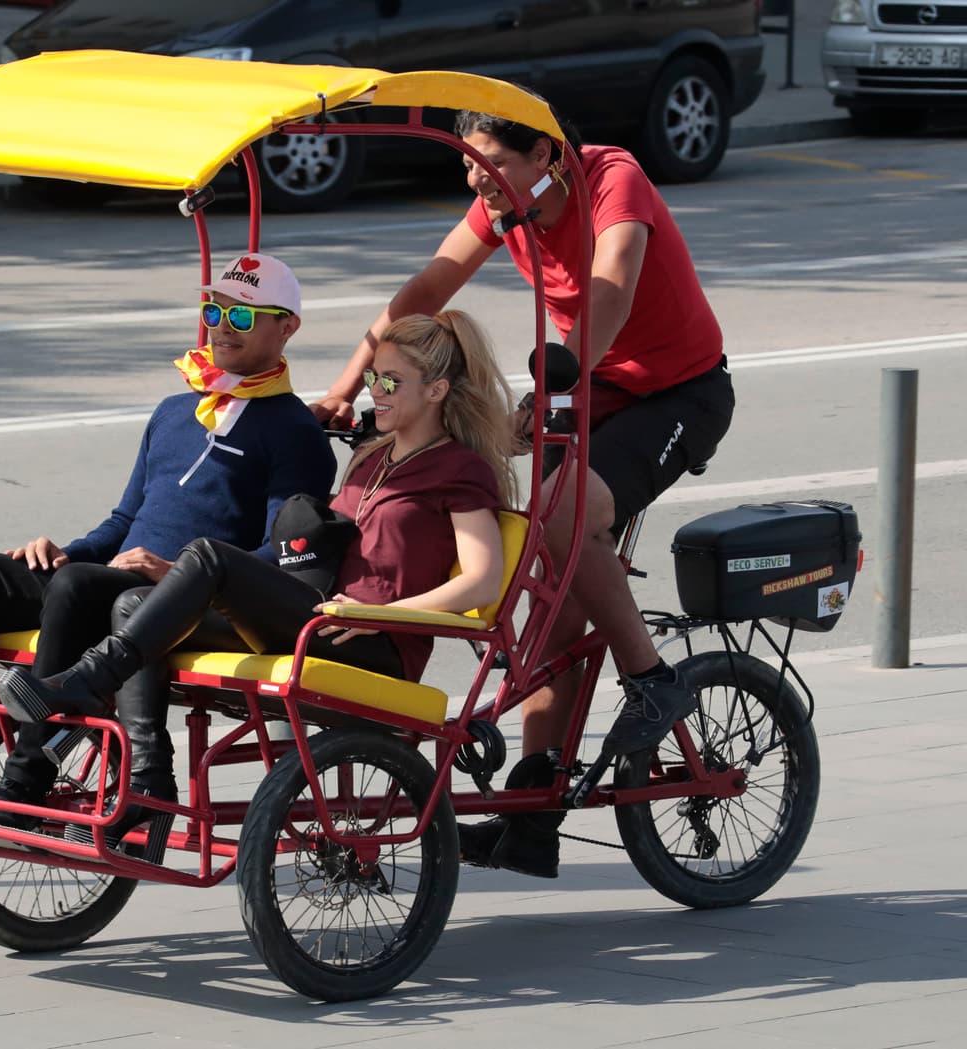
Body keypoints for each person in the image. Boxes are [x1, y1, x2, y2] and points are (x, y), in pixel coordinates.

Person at [313, 111, 735, 878]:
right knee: (545, 587)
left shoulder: (613, 178)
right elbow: (428, 288)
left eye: (492, 162)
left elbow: (609, 287)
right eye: (468, 165)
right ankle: (535, 809)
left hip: (677, 394)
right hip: (587, 382)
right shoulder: (503, 198)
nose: (477, 179)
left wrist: (557, 383)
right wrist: (344, 389)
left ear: (547, 153)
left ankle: (653, 683)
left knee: (563, 513)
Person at [0, 310, 519, 843]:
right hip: (320, 617)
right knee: (133, 605)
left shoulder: (458, 469)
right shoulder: (372, 455)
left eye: (391, 382)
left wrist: (381, 615)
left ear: (437, 390)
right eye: (372, 377)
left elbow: (482, 581)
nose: (374, 391)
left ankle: (85, 682)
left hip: (373, 641)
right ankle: (149, 783)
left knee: (209, 557)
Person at [0, 252, 337, 818]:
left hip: (167, 599)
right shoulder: (173, 409)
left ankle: (27, 777)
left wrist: (177, 574)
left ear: (287, 328)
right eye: (213, 310)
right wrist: (66, 550)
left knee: (77, 587)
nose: (219, 327)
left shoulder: (296, 431)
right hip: (99, 576)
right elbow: (122, 519)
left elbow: (274, 555)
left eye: (240, 318)